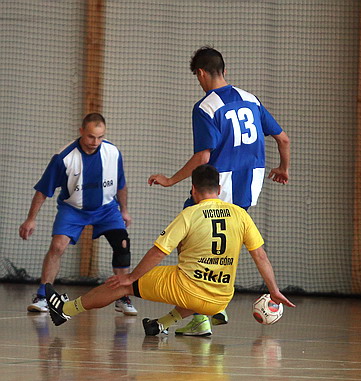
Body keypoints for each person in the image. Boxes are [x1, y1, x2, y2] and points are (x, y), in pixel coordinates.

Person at [45, 164, 295, 336]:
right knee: (195, 287)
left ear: (193, 190)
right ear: (219, 190)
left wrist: (131, 277)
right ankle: (160, 325)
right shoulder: (241, 215)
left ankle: (64, 310)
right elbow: (260, 256)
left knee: (120, 285)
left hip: (187, 289)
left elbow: (159, 252)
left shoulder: (190, 214)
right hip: (220, 299)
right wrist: (274, 291)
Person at [147, 46, 291, 335]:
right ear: (224, 70)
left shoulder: (205, 107)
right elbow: (283, 139)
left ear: (200, 73)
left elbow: (203, 156)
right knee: (221, 246)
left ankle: (207, 309)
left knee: (188, 243)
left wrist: (171, 180)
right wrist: (283, 168)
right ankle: (207, 311)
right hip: (248, 188)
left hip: (217, 185)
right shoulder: (251, 99)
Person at [19, 113, 137, 316]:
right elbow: (43, 190)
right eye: (91, 136)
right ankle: (43, 296)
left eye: (100, 137)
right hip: (73, 209)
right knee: (57, 246)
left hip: (107, 209)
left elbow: (121, 184)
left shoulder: (113, 153)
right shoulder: (63, 157)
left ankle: (122, 296)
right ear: (81, 131)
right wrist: (31, 219)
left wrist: (124, 210)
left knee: (122, 245)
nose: (95, 142)